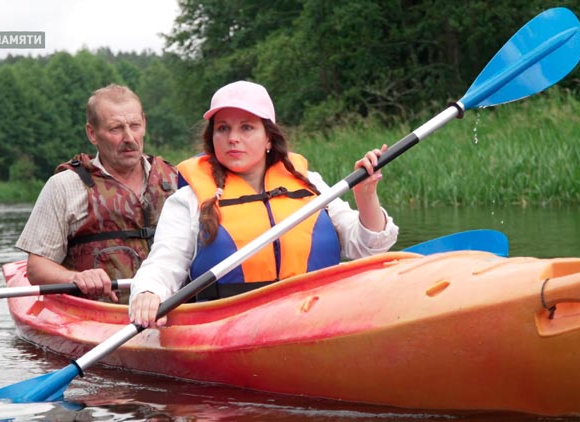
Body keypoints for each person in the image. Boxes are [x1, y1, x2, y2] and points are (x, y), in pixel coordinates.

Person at [129, 80, 398, 326]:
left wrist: (365, 195)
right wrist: (148, 292)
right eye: (223, 128)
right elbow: (164, 262)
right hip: (230, 324)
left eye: (246, 127)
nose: (233, 138)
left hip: (319, 315)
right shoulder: (187, 200)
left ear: (268, 137)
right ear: (212, 138)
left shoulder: (310, 182)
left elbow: (368, 248)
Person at [15, 84, 178, 303]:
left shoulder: (175, 178)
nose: (129, 137)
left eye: (135, 126)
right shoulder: (64, 186)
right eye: (116, 129)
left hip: (171, 305)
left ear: (144, 124)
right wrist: (75, 277)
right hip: (99, 312)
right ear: (92, 133)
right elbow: (36, 269)